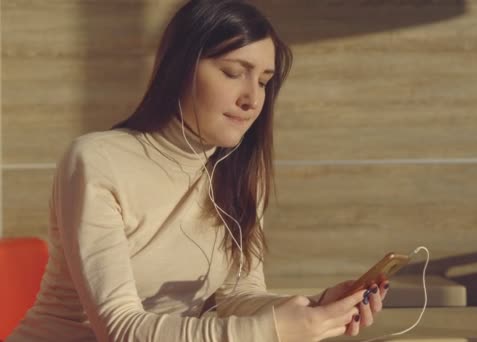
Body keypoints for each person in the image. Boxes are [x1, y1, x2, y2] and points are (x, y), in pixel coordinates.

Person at [7, 1, 389, 341]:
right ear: (181, 68)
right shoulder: (96, 161)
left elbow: (235, 297)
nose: (252, 99)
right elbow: (119, 328)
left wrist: (313, 308)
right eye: (233, 72)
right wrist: (274, 330)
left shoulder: (237, 172)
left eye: (264, 81)